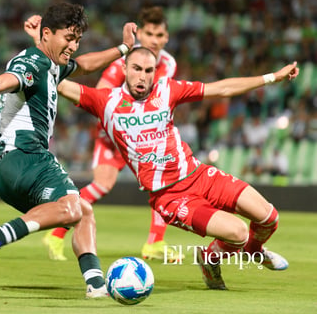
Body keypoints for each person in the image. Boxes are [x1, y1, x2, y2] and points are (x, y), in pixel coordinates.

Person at [56, 46, 299, 290]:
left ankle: (255, 251)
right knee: (237, 234)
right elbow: (58, 82)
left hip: (199, 175)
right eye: (136, 69)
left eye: (148, 70)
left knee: (269, 217)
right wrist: (43, 46)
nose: (142, 76)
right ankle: (208, 259)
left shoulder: (167, 90)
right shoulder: (104, 101)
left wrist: (272, 77)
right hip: (170, 197)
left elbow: (221, 88)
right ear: (124, 69)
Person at [0, 2, 136, 298]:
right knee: (73, 207)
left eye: (77, 40)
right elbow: (0, 82)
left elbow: (85, 65)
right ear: (47, 34)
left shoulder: (52, 65)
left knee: (83, 211)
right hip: (25, 157)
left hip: (8, 168)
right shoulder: (34, 61)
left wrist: (123, 48)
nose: (73, 46)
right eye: (68, 38)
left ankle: (96, 285)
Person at [37, 6, 179, 262]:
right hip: (114, 133)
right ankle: (57, 232)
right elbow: (102, 93)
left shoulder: (168, 64)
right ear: (139, 35)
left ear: (166, 37)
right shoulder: (123, 63)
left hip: (146, 133)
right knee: (103, 184)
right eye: (149, 34)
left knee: (162, 183)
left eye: (159, 35)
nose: (154, 41)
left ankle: (155, 242)